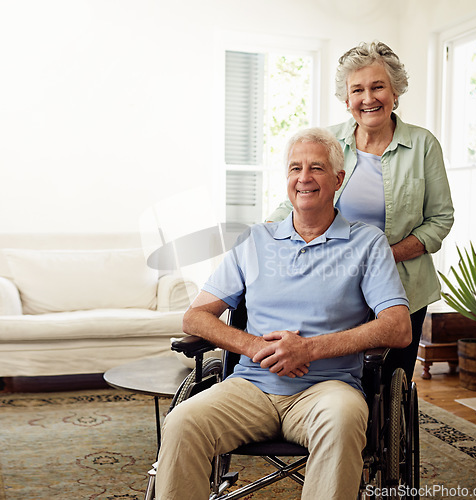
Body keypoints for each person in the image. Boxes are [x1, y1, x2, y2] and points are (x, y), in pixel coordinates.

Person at [156, 128, 411, 500]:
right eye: (295, 168)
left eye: (317, 168)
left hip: (328, 389)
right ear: (287, 179)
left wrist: (309, 350)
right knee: (182, 422)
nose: (304, 178)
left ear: (338, 180)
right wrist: (255, 346)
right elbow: (195, 317)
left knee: (342, 422)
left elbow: (398, 327)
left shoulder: (367, 243)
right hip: (251, 386)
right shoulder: (255, 240)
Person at [267, 41, 454, 383]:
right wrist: (264, 233)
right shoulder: (328, 141)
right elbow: (299, 193)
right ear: (346, 99)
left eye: (378, 86)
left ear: (395, 91)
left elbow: (440, 220)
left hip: (403, 285)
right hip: (333, 282)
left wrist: (380, 258)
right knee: (333, 373)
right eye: (358, 90)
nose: (368, 98)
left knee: (387, 381)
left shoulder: (423, 145)